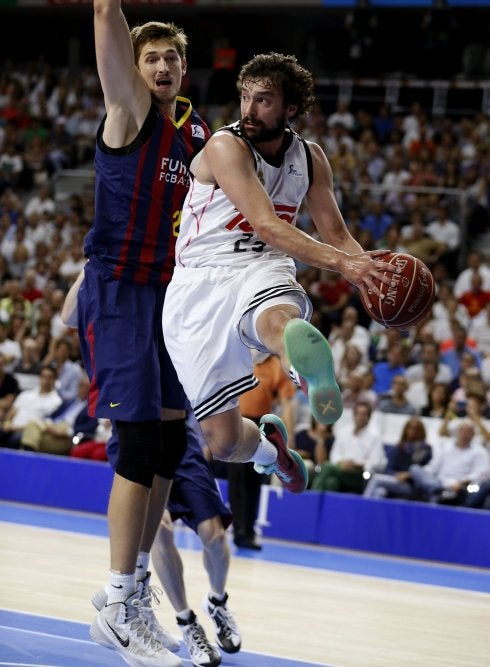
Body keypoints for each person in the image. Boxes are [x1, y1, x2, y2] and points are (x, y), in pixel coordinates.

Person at [162, 52, 399, 496]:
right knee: (225, 442)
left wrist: (368, 271)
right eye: (245, 98)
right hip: (200, 281)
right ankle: (273, 452)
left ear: (291, 108)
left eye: (264, 100)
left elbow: (336, 233)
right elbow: (268, 225)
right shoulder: (224, 145)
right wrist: (343, 264)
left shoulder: (310, 158)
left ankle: (303, 371)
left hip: (261, 266)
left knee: (278, 319)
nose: (249, 110)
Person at [73, 3, 209, 666]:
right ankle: (121, 598)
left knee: (169, 440)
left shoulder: (194, 137)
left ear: (184, 71)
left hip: (170, 300)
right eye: (150, 57)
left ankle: (128, 594)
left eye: (172, 58)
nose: (161, 66)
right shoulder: (128, 111)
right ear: (132, 69)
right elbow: (105, 13)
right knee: (136, 440)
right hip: (121, 293)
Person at [93, 410, 241, 667]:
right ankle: (186, 622)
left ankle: (217, 601)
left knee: (214, 534)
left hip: (179, 437)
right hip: (137, 434)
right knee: (159, 528)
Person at [229, 349, 296, 550]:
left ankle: (248, 531)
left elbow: (287, 404)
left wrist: (289, 436)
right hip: (236, 420)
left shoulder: (277, 366)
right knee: (237, 478)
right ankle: (238, 530)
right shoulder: (239, 357)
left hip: (261, 425)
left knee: (255, 478)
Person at [311, 401, 386, 493]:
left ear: (369, 417)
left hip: (359, 473)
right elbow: (335, 454)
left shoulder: (375, 437)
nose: (360, 417)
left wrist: (357, 464)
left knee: (326, 466)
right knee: (331, 483)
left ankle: (312, 499)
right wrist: (342, 463)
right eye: (358, 414)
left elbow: (376, 461)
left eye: (364, 415)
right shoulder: (344, 432)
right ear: (354, 415)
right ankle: (328, 506)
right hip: (340, 469)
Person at [409, 420, 490, 504]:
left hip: (462, 487)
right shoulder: (445, 447)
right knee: (414, 469)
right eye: (462, 430)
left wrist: (461, 483)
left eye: (468, 431)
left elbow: (480, 474)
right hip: (439, 482)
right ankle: (438, 490)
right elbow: (433, 467)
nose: (464, 434)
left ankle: (437, 493)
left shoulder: (480, 451)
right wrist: (417, 474)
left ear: (473, 434)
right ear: (458, 432)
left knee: (475, 488)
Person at [363, 417, 432, 500]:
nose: (413, 431)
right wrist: (397, 475)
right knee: (380, 491)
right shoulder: (398, 448)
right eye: (410, 428)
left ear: (422, 432)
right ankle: (371, 512)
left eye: (416, 429)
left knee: (376, 479)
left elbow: (427, 472)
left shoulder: (426, 449)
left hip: (412, 484)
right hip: (395, 480)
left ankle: (362, 506)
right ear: (405, 430)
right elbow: (388, 469)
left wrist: (409, 475)